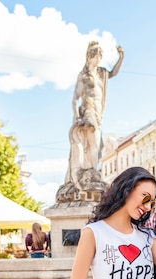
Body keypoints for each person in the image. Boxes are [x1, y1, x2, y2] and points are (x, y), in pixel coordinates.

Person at [65, 41, 124, 184]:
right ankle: (89, 170)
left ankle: (90, 171)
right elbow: (75, 98)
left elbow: (113, 72)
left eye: (100, 56)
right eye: (96, 56)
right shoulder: (84, 75)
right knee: (92, 143)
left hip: (98, 111)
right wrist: (78, 116)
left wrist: (121, 57)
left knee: (95, 144)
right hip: (88, 109)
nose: (98, 59)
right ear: (89, 57)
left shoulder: (101, 73)